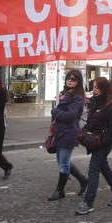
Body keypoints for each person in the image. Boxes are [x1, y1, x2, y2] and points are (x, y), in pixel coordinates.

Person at [75, 77, 112, 215]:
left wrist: (102, 141)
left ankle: (88, 202)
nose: (94, 90)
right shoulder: (95, 102)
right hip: (95, 141)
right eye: (93, 87)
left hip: (103, 143)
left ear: (104, 88)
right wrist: (84, 131)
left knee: (93, 169)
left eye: (96, 87)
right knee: (104, 168)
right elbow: (92, 121)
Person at [48, 69, 88, 201]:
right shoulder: (65, 93)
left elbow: (70, 116)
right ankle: (83, 180)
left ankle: (59, 191)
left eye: (73, 79)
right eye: (68, 78)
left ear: (78, 81)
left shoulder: (78, 97)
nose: (70, 81)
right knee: (61, 161)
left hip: (69, 132)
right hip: (59, 131)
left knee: (63, 163)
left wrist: (55, 112)